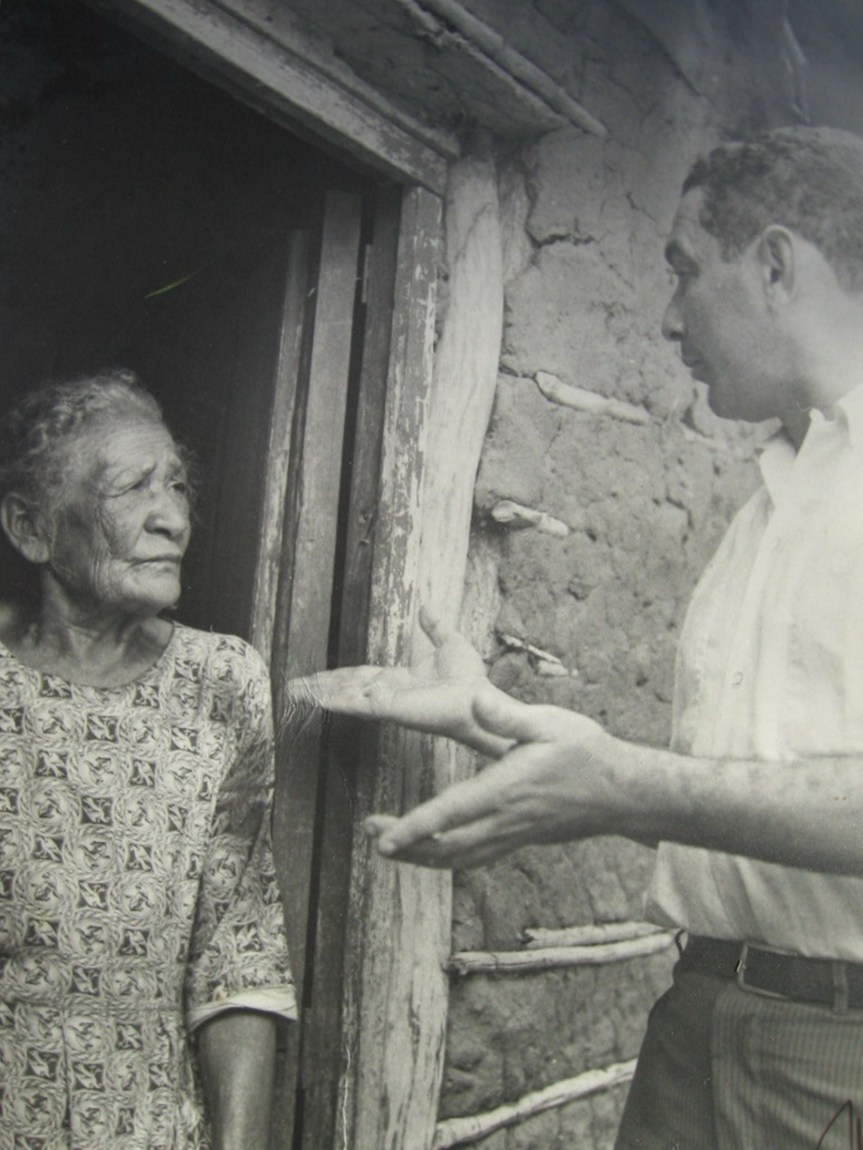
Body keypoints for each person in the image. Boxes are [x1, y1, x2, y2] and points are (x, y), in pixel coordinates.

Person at [293, 126, 863, 1149]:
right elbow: (743, 792)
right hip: (697, 1017)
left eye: (684, 271)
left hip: (835, 1045)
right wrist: (504, 726)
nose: (664, 317)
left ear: (774, 265)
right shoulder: (774, 499)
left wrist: (622, 784)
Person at [0, 370, 296, 1150]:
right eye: (132, 488)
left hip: (154, 1128)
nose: (172, 519)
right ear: (32, 528)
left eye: (177, 486)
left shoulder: (222, 681)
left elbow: (237, 949)